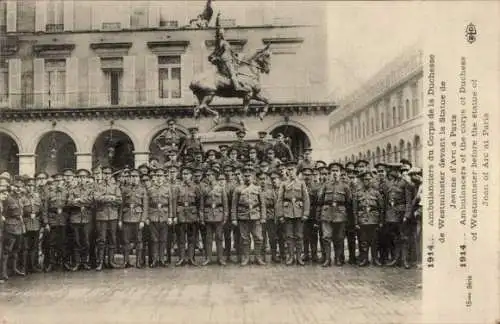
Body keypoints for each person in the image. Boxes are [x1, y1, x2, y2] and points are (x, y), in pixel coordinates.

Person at [276, 161, 310, 266]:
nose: (290, 172)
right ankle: (291, 257)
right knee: (289, 236)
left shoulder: (301, 183)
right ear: (286, 171)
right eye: (289, 170)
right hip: (287, 213)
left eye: (292, 169)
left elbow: (306, 199)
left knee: (299, 236)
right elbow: (279, 200)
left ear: (296, 170)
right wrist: (280, 215)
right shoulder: (283, 184)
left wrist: (305, 213)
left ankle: (299, 257)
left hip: (299, 213)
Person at [231, 166, 266, 266]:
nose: (247, 178)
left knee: (258, 238)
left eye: (249, 176)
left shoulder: (257, 188)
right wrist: (234, 218)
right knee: (244, 239)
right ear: (242, 176)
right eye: (245, 176)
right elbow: (234, 205)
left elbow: (262, 204)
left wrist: (263, 217)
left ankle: (258, 257)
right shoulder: (238, 189)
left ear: (253, 177)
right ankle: (246, 258)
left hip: (256, 216)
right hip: (243, 217)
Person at [209, 12, 247, 92]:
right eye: (221, 33)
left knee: (238, 70)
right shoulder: (219, 42)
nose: (222, 34)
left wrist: (236, 55)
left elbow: (230, 52)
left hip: (230, 59)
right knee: (232, 73)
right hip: (225, 60)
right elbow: (217, 28)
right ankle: (237, 87)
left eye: (223, 33)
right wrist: (217, 19)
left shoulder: (225, 42)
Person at [93, 166, 122, 271]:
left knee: (112, 239)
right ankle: (100, 262)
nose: (106, 175)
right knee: (101, 239)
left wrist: (107, 198)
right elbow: (96, 198)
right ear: (102, 174)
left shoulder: (115, 186)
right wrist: (110, 197)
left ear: (111, 175)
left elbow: (119, 200)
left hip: (113, 216)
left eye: (108, 174)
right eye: (104, 173)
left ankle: (111, 261)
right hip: (101, 216)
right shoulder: (97, 186)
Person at [354, 171, 384, 267]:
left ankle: (375, 259)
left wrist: (381, 221)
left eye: (369, 179)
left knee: (375, 241)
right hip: (362, 220)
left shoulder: (376, 193)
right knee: (363, 241)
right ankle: (364, 259)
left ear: (372, 180)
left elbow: (381, 208)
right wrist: (356, 223)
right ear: (362, 181)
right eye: (365, 179)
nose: (367, 181)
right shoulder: (357, 193)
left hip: (374, 220)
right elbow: (354, 209)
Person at [199, 168, 228, 266]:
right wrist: (202, 217)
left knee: (219, 237)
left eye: (210, 175)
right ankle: (208, 258)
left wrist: (225, 217)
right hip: (208, 216)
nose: (208, 177)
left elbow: (225, 204)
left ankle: (220, 258)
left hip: (219, 215)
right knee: (208, 238)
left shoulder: (221, 188)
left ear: (215, 176)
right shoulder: (204, 189)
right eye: (207, 175)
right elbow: (202, 205)